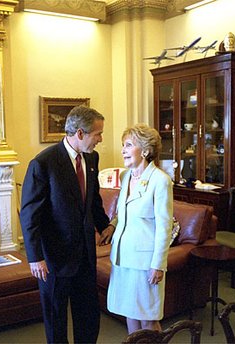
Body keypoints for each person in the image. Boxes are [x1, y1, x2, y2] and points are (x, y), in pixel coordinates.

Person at [20, 105, 115, 343]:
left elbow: (93, 200)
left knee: (88, 314)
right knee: (56, 317)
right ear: (80, 133)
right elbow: (30, 215)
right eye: (98, 134)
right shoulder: (43, 163)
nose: (101, 140)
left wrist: (105, 226)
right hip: (54, 258)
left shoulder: (92, 158)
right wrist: (34, 257)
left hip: (85, 254)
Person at [106, 123, 173, 334]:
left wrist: (158, 265)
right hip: (122, 258)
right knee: (130, 312)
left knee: (148, 318)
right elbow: (123, 215)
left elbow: (165, 227)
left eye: (128, 145)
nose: (122, 150)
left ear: (145, 150)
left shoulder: (160, 180)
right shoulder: (126, 177)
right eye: (122, 145)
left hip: (145, 263)